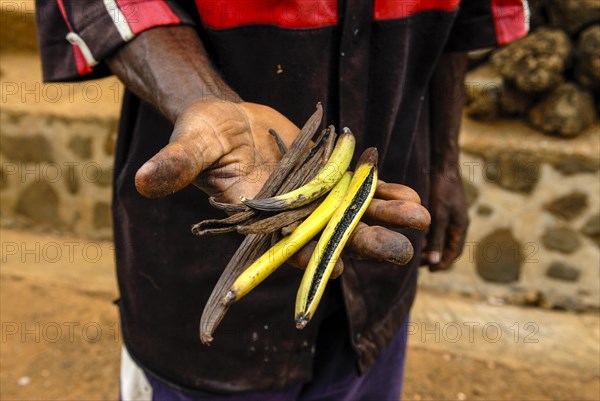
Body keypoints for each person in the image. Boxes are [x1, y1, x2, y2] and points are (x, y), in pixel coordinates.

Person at [36, 1, 528, 399]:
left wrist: (445, 162)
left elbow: (466, 17)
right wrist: (202, 98)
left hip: (380, 268)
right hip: (196, 261)